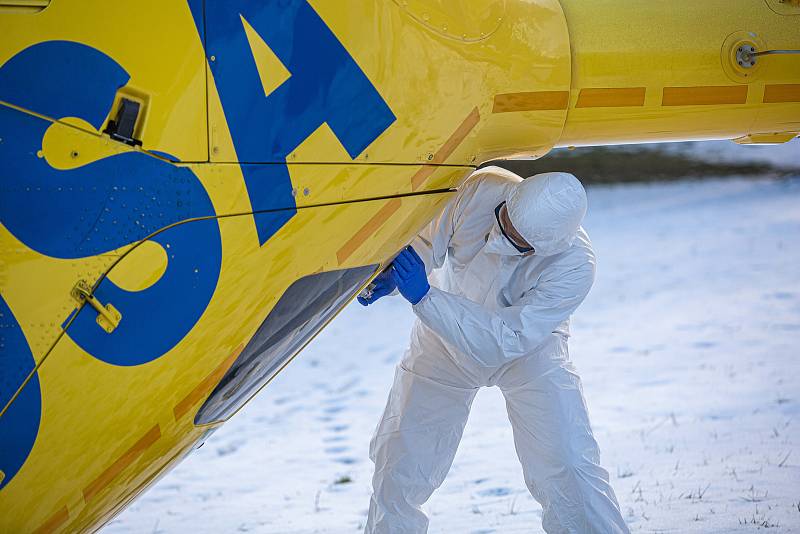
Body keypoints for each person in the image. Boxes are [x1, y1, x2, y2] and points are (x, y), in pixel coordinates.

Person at [357, 166, 629, 533]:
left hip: (527, 352)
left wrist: (425, 297)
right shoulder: (483, 188)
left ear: (545, 247)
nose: (498, 236)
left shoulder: (575, 267)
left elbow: (504, 341)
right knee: (400, 458)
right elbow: (426, 242)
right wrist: (391, 275)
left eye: (515, 240)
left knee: (567, 462)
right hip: (443, 337)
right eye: (503, 219)